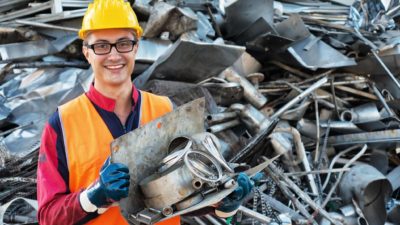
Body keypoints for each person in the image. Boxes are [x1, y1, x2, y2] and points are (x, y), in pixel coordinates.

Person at [37, 0, 252, 224]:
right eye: (101, 45)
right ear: (86, 52)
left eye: (123, 44)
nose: (113, 55)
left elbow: (179, 197)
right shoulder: (63, 123)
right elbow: (48, 216)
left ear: (136, 47)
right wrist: (93, 197)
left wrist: (224, 201)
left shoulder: (165, 110)